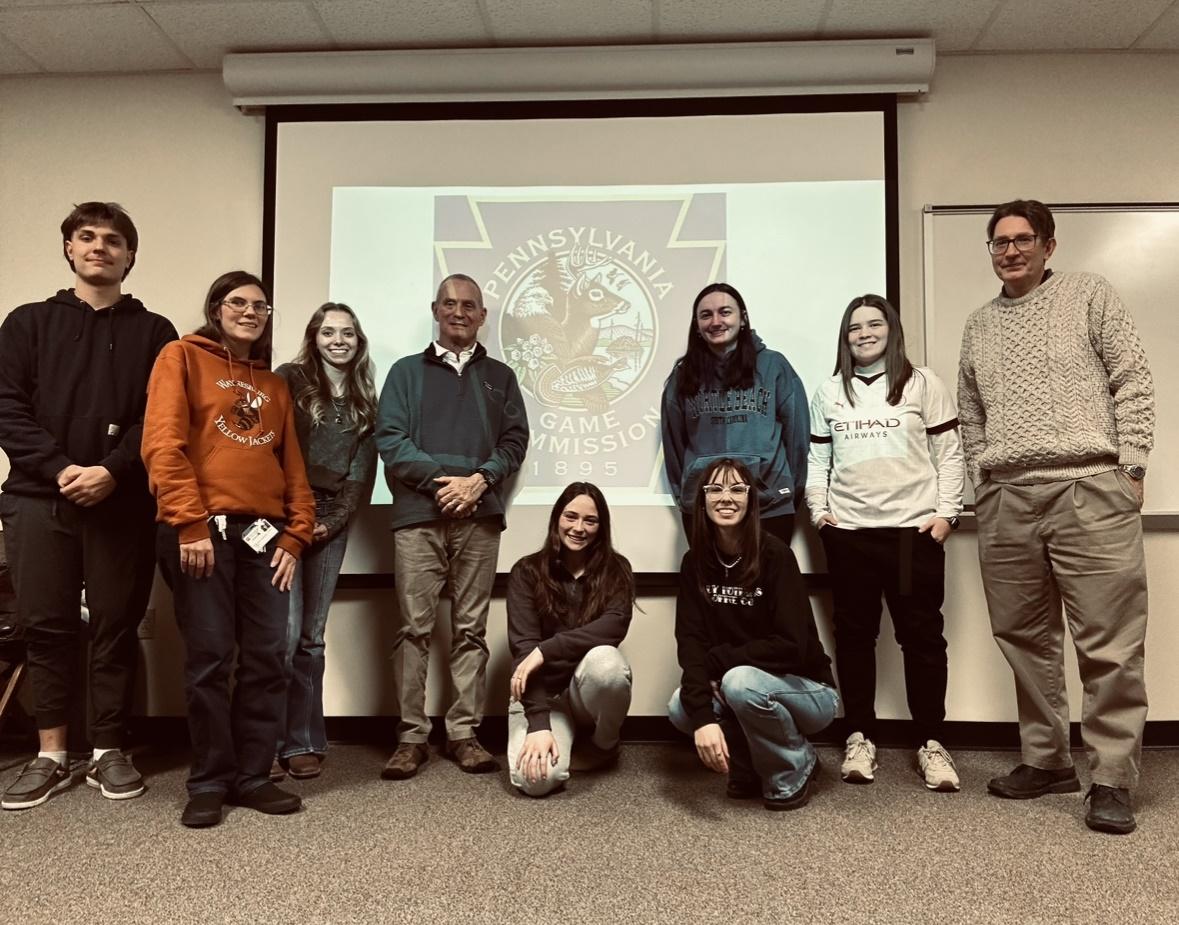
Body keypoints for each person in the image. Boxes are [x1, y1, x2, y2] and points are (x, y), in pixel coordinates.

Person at [958, 199, 1154, 835]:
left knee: (1109, 641)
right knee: (1023, 637)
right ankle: (1047, 761)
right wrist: (982, 479)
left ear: (1048, 245)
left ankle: (1112, 778)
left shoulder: (1090, 295)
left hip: (1089, 487)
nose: (1010, 251)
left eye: (1022, 240)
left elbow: (1134, 379)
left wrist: (1132, 467)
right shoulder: (978, 324)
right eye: (999, 242)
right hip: (1007, 495)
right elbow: (971, 411)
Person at [0, 202, 177, 811]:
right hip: (34, 500)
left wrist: (110, 470)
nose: (99, 247)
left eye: (113, 240)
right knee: (45, 627)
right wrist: (60, 470)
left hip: (120, 502)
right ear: (70, 250)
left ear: (130, 256)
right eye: (87, 237)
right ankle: (50, 754)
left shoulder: (156, 333)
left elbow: (156, 420)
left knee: (114, 625)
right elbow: (6, 410)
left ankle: (107, 749)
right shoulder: (25, 324)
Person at [142, 270, 316, 828]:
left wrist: (296, 533)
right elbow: (162, 446)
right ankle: (210, 780)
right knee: (211, 659)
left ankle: (252, 776)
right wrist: (188, 524)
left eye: (260, 305)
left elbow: (292, 468)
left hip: (264, 538)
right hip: (202, 534)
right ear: (216, 309)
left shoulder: (275, 385)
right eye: (237, 302)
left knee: (268, 657)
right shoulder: (181, 357)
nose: (250, 311)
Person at [806, 294, 964, 792]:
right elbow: (816, 462)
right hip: (850, 534)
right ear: (844, 336)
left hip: (911, 534)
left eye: (875, 324)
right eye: (855, 327)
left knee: (921, 640)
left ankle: (932, 744)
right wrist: (820, 514)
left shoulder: (922, 383)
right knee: (854, 640)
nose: (865, 333)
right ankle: (859, 737)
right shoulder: (829, 391)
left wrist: (946, 516)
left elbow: (950, 453)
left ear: (891, 330)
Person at [376, 273, 528, 779]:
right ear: (435, 310)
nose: (459, 312)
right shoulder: (404, 372)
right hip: (419, 517)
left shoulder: (501, 377)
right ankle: (410, 736)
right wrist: (448, 483)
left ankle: (464, 733)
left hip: (479, 519)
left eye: (469, 305)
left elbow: (514, 441)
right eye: (449, 304)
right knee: (413, 629)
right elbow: (391, 441)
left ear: (482, 315)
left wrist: (478, 483)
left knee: (471, 630)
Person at [668, 457, 837, 811]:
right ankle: (746, 766)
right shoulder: (695, 561)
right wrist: (702, 719)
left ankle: (796, 763)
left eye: (736, 489)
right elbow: (691, 643)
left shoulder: (776, 555)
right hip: (740, 683)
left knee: (738, 682)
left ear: (751, 500)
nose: (725, 498)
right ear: (702, 501)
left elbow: (793, 646)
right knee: (681, 708)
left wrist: (720, 662)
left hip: (808, 692)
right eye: (714, 489)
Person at [272, 303, 377, 781]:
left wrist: (330, 523)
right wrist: (296, 521)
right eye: (330, 332)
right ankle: (263, 740)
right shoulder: (289, 379)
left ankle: (303, 741)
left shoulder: (365, 398)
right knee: (283, 635)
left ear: (359, 341)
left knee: (311, 639)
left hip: (332, 524)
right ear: (314, 336)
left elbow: (362, 472)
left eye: (348, 333)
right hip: (282, 519)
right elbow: (273, 451)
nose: (339, 340)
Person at [506, 482, 634, 797]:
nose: (579, 528)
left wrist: (545, 650)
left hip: (584, 691)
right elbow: (524, 649)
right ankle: (561, 739)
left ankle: (603, 747)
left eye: (590, 520)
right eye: (570, 516)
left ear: (601, 527)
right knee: (535, 782)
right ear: (556, 519)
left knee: (607, 663)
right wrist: (538, 724)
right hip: (543, 697)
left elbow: (614, 627)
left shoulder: (616, 569)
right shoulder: (526, 571)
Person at [661, 283, 809, 546]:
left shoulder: (774, 366)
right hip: (705, 508)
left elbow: (797, 439)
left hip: (770, 506)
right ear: (696, 326)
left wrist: (787, 493)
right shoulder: (683, 375)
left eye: (725, 312)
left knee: (769, 585)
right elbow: (673, 448)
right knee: (714, 587)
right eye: (706, 315)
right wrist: (689, 495)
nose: (716, 321)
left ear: (742, 318)